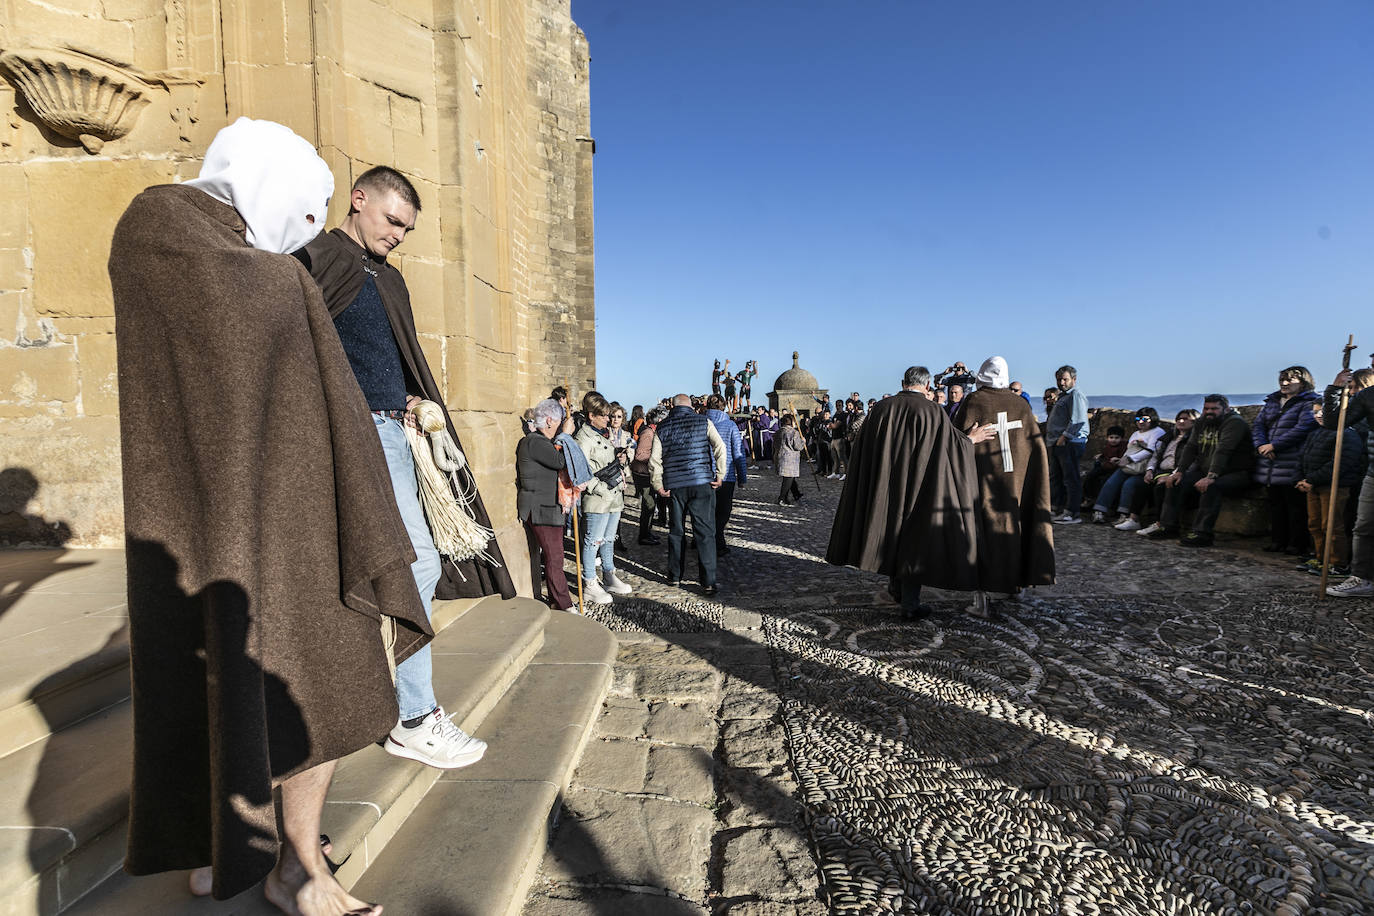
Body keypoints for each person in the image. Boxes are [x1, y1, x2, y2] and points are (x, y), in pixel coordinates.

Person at [110, 118, 432, 915]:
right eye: (304, 202)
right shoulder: (163, 221)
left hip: (281, 495)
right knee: (277, 675)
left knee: (315, 672)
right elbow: (248, 306)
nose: (300, 227)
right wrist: (287, 286)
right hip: (208, 504)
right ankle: (282, 865)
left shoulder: (232, 244)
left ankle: (287, 861)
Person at [299, 164, 513, 771]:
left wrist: (416, 402)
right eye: (392, 221)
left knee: (413, 565)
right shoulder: (317, 259)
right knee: (412, 562)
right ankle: (411, 715)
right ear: (358, 200)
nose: (398, 234)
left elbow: (393, 359)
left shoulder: (386, 278)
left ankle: (393, 701)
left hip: (399, 431)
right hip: (354, 434)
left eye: (406, 228)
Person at [827, 366, 994, 618]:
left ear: (903, 382)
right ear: (927, 386)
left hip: (885, 484)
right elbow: (950, 447)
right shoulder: (932, 411)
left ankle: (896, 589)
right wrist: (970, 439)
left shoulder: (881, 409)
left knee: (893, 533)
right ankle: (910, 604)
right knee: (914, 538)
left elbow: (863, 448)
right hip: (918, 485)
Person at [951, 357, 1054, 613]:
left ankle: (981, 599)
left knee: (981, 533)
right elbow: (1035, 446)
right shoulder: (1020, 405)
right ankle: (1014, 587)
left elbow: (956, 440)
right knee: (1015, 527)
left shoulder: (974, 402)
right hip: (1016, 480)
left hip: (982, 481)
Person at [1146, 395, 1254, 547]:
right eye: (1206, 408)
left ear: (1226, 409)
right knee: (1175, 483)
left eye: (1214, 409)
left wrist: (1211, 476)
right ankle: (1168, 526)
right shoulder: (1202, 422)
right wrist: (1179, 471)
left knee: (1211, 488)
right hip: (1207, 471)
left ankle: (1202, 533)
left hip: (1236, 473)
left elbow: (1224, 450)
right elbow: (1191, 448)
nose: (1209, 412)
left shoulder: (1234, 423)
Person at [651, 394, 728, 595]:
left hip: (675, 485)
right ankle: (708, 581)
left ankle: (675, 576)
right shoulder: (704, 421)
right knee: (705, 532)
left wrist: (657, 484)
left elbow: (655, 460)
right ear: (691, 406)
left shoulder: (662, 426)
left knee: (676, 532)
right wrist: (720, 474)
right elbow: (720, 447)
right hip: (701, 481)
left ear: (672, 407)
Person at [1253, 366, 1320, 555]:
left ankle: (1296, 543)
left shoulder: (1309, 402)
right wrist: (1262, 446)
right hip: (1270, 462)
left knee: (1295, 505)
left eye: (1290, 380)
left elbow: (1303, 427)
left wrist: (1275, 446)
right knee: (1275, 503)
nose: (1284, 383)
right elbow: (1258, 425)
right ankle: (1277, 540)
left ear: (1304, 382)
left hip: (1292, 459)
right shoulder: (1273, 402)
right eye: (1282, 379)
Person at [574, 393, 633, 602]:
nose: (608, 419)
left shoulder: (602, 434)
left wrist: (620, 460)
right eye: (605, 415)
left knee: (609, 539)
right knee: (593, 541)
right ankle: (589, 581)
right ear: (592, 416)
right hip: (598, 499)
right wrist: (600, 488)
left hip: (614, 498)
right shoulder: (584, 438)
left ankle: (609, 574)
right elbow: (580, 472)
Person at [519, 399, 575, 611]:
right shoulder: (535, 442)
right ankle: (563, 604)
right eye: (560, 422)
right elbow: (560, 461)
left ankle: (555, 599)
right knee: (555, 557)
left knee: (553, 556)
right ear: (550, 420)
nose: (561, 426)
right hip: (542, 508)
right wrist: (567, 435)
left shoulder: (540, 442)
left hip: (547, 507)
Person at [1323, 364, 1374, 596]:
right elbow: (1335, 423)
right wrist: (1335, 389)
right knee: (1364, 526)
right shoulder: (1368, 395)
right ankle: (1361, 578)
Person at [1296, 400, 1363, 576]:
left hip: (1333, 486)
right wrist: (1300, 478)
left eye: (1322, 412)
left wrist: (1311, 479)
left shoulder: (1347, 435)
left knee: (1332, 525)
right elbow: (1303, 457)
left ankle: (1337, 562)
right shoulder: (1315, 433)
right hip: (1312, 486)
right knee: (1315, 524)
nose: (1317, 415)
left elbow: (1340, 463)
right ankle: (1320, 558)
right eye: (1315, 412)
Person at [1092, 408, 1167, 526]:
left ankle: (1124, 515)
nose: (1140, 422)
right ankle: (1099, 511)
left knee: (1129, 485)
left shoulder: (1157, 432)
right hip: (1128, 465)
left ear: (1153, 419)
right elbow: (1129, 450)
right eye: (1138, 419)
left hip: (1143, 468)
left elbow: (1151, 451)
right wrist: (1121, 459)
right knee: (1111, 482)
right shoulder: (1136, 433)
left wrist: (1130, 459)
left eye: (1144, 419)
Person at [1135, 410, 1198, 536]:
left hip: (1176, 471)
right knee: (1140, 483)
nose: (1181, 421)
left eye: (1185, 419)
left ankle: (1160, 524)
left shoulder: (1193, 439)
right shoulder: (1169, 436)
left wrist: (1173, 474)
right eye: (1179, 418)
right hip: (1161, 470)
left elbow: (1192, 461)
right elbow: (1156, 455)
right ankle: (1133, 519)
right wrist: (1150, 470)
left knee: (1162, 487)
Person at [1046, 365, 1089, 524]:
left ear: (1074, 380)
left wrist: (1063, 438)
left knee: (1071, 479)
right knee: (1057, 477)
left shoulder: (1075, 395)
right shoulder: (1064, 396)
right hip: (1059, 443)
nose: (1062, 382)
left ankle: (1072, 513)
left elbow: (1078, 420)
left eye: (1065, 379)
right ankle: (1057, 508)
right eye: (1059, 379)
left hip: (1069, 443)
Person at [706, 394, 748, 555]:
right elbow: (738, 453)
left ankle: (700, 539)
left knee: (706, 511)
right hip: (726, 476)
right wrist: (742, 478)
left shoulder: (701, 423)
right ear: (723, 407)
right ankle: (717, 542)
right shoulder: (730, 425)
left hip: (704, 474)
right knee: (722, 512)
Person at [630, 405, 669, 544]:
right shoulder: (648, 433)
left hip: (646, 473)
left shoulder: (651, 431)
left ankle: (647, 532)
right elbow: (640, 455)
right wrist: (656, 458)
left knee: (650, 505)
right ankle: (644, 536)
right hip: (643, 474)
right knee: (649, 504)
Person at [1081, 425, 1128, 509]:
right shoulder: (1108, 446)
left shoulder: (1123, 447)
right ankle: (1089, 498)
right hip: (1105, 467)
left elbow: (1123, 458)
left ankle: (1108, 505)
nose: (1113, 440)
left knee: (1105, 482)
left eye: (1116, 438)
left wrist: (1118, 460)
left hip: (1114, 469)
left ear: (1121, 438)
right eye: (1111, 437)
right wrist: (1101, 455)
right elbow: (1106, 454)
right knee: (1090, 476)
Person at [776, 414, 805, 505]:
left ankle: (796, 494)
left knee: (789, 477)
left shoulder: (779, 432)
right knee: (788, 478)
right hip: (790, 458)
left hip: (781, 456)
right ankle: (782, 498)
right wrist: (803, 441)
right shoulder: (793, 432)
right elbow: (798, 446)